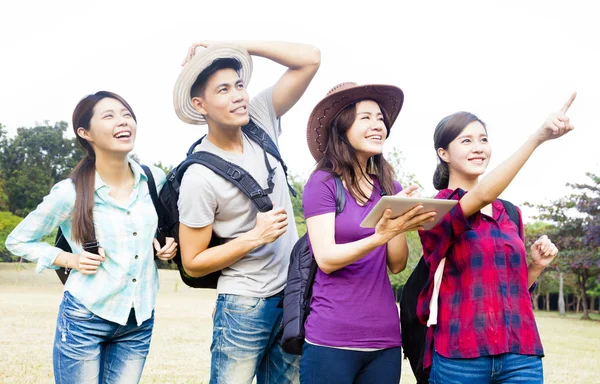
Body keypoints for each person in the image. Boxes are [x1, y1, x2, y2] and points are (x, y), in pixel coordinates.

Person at [172, 41, 320, 384]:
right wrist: (255, 237)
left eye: (239, 85)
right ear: (200, 104)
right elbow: (193, 263)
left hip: (293, 296)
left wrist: (235, 44)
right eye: (223, 89)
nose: (238, 95)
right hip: (243, 304)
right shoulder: (198, 177)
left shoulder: (260, 120)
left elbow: (310, 60)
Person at [5, 91, 177, 383]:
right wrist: (70, 258)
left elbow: (161, 228)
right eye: (109, 116)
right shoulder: (69, 192)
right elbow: (18, 240)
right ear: (85, 133)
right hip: (85, 318)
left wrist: (166, 244)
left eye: (126, 114)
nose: (123, 121)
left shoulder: (154, 178)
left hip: (138, 320)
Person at [418, 94, 576, 384]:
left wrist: (536, 266)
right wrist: (536, 138)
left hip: (520, 355)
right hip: (460, 357)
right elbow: (481, 195)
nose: (478, 148)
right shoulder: (436, 210)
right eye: (466, 141)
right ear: (443, 153)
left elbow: (514, 290)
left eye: (483, 139)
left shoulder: (510, 213)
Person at [299, 82, 437, 384]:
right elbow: (327, 259)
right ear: (342, 127)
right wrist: (380, 235)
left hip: (384, 340)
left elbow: (397, 264)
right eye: (366, 118)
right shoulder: (323, 183)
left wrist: (399, 223)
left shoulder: (390, 187)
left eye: (380, 119)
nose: (378, 126)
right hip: (331, 337)